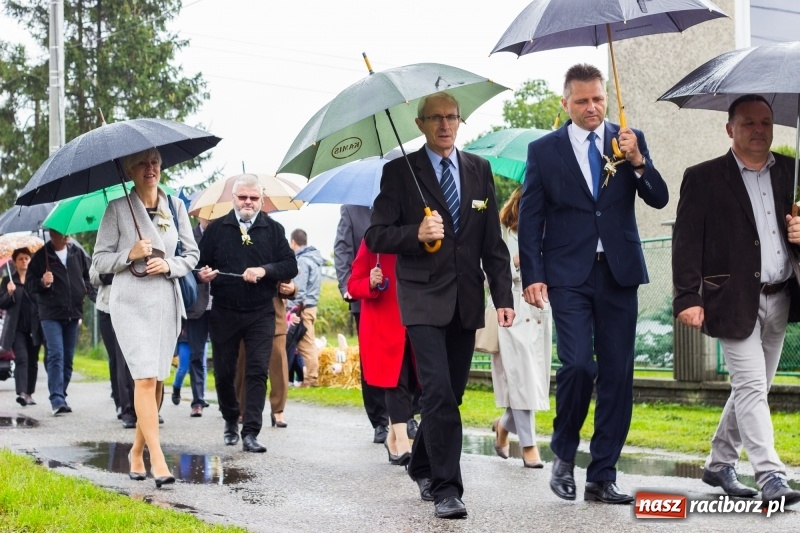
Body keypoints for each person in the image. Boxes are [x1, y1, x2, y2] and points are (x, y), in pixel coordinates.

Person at [518, 63, 668, 504]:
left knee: (619, 376)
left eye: (598, 98)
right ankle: (564, 455)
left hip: (619, 273)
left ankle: (602, 475)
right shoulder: (543, 151)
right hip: (567, 276)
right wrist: (533, 276)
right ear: (565, 103)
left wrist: (638, 160)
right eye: (582, 100)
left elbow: (658, 197)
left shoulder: (627, 139)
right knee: (579, 365)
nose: (592, 107)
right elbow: (531, 219)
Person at [365, 91, 514, 520]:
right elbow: (376, 236)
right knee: (436, 392)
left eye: (452, 117)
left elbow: (492, 244)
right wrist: (415, 232)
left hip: (467, 300)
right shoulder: (399, 173)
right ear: (420, 124)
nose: (445, 125)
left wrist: (502, 298)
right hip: (422, 299)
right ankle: (448, 489)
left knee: (451, 394)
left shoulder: (479, 170)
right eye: (436, 118)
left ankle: (421, 463)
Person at [673, 94, 800, 506]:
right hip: (730, 299)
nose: (758, 130)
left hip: (780, 295)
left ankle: (719, 462)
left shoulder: (793, 174)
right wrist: (687, 297)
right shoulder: (704, 177)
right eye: (748, 123)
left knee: (754, 387)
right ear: (730, 129)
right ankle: (771, 475)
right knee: (750, 385)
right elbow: (686, 242)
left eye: (765, 122)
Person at [93, 147, 199, 488]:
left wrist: (170, 265)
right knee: (143, 379)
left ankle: (136, 452)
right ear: (129, 170)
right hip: (131, 304)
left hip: (166, 300)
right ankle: (158, 459)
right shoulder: (117, 208)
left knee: (156, 381)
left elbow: (192, 254)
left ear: (161, 165)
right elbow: (99, 262)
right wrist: (130, 254)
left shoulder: (176, 205)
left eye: (154, 162)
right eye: (141, 163)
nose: (149, 168)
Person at [196, 174, 297, 453]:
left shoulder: (273, 229)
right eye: (243, 197)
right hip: (225, 310)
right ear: (233, 199)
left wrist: (265, 270)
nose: (248, 202)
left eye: (254, 198)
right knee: (225, 372)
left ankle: (251, 431)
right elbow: (199, 263)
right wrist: (203, 274)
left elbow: (290, 266)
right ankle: (230, 419)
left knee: (257, 371)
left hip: (261, 312)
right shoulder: (217, 229)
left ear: (261, 200)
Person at [491, 187, 552, 468]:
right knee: (521, 377)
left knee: (531, 380)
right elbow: (487, 273)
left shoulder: (548, 232)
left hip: (539, 309)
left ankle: (504, 424)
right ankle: (529, 446)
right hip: (511, 310)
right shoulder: (503, 232)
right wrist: (515, 266)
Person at [347, 240, 417, 465]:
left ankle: (392, 438)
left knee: (412, 382)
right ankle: (404, 443)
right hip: (384, 322)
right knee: (394, 380)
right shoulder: (373, 244)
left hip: (416, 319)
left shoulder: (418, 239)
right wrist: (370, 281)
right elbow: (353, 286)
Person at [334, 204, 391, 444]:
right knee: (371, 360)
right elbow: (343, 250)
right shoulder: (351, 209)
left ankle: (407, 415)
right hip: (363, 295)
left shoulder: (400, 203)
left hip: (399, 294)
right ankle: (379, 421)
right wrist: (348, 286)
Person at [27, 228, 96, 415]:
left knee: (68, 358)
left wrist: (90, 293)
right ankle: (56, 398)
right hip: (50, 314)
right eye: (61, 232)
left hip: (73, 313)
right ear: (52, 234)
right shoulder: (42, 256)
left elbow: (88, 277)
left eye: (67, 231)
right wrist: (43, 282)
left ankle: (61, 394)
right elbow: (29, 285)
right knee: (56, 354)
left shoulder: (77, 253)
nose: (66, 235)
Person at [235, 280, 296, 428]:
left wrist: (292, 288)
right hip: (245, 313)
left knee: (279, 365)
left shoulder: (278, 255)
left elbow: (288, 277)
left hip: (275, 316)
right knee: (243, 365)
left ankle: (278, 410)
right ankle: (241, 409)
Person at [172, 217, 211, 417]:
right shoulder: (189, 238)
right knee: (196, 356)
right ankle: (197, 401)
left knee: (225, 357)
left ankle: (230, 404)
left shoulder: (226, 233)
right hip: (197, 306)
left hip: (223, 305)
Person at [89, 266, 137, 428]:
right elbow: (93, 276)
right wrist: (110, 274)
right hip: (108, 308)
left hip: (135, 307)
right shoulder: (105, 246)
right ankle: (123, 406)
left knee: (136, 359)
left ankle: (146, 407)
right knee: (117, 358)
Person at [0, 248, 42, 407]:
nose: (24, 262)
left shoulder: (36, 280)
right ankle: (22, 393)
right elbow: (2, 303)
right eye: (21, 259)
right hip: (16, 328)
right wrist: (9, 293)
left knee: (33, 360)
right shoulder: (8, 281)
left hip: (34, 327)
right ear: (14, 262)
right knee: (22, 358)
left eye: (27, 258)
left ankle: (29, 393)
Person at [287, 229, 323, 388]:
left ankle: (312, 379)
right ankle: (310, 378)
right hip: (311, 306)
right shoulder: (314, 259)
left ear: (293, 242)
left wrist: (290, 307)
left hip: (303, 308)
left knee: (306, 345)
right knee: (308, 343)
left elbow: (299, 289)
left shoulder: (302, 260)